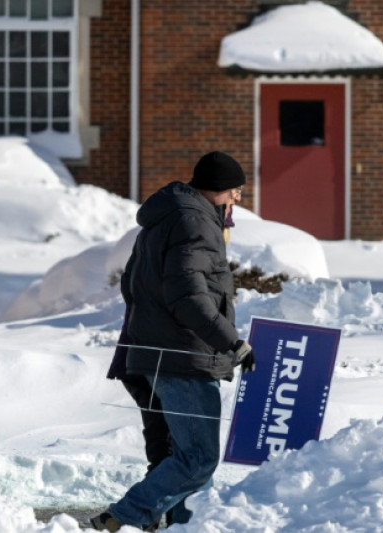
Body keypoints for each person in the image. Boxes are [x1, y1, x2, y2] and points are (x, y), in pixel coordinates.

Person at [91, 151, 255, 532]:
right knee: (198, 458)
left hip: (159, 354)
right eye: (237, 192)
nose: (238, 202)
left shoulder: (166, 218)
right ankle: (121, 517)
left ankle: (186, 526)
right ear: (220, 190)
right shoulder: (194, 223)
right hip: (183, 356)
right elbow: (189, 297)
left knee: (180, 455)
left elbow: (135, 285)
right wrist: (232, 343)